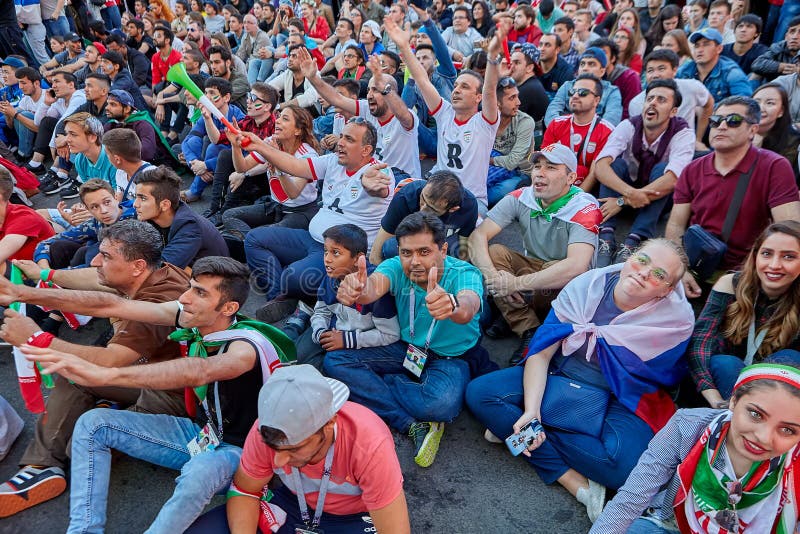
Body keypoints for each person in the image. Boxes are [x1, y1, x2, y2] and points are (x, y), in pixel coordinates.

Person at [3, 255, 294, 532]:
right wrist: (23, 294)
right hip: (204, 432)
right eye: (191, 287)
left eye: (200, 293)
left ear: (228, 308)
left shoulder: (244, 348)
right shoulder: (194, 317)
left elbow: (200, 371)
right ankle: (83, 530)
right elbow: (111, 305)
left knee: (200, 472)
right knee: (93, 423)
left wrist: (109, 375)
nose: (184, 298)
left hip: (243, 452)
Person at [466, 238, 694, 523]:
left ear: (667, 290)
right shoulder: (587, 286)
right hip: (558, 375)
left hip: (617, 396)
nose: (644, 273)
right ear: (631, 255)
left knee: (627, 468)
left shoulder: (675, 322)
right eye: (643, 260)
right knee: (479, 393)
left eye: (660, 274)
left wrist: (527, 420)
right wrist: (531, 411)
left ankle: (510, 430)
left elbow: (651, 380)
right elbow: (541, 353)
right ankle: (570, 479)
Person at [0, 219, 189, 517]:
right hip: (142, 373)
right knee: (74, 375)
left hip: (171, 395)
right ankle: (41, 467)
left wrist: (37, 339)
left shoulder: (159, 301)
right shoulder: (152, 271)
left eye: (107, 256)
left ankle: (106, 413)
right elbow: (95, 288)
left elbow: (110, 361)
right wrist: (32, 284)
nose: (97, 261)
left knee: (83, 440)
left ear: (137, 265)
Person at [326, 212, 487, 468]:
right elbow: (373, 288)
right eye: (406, 253)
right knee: (336, 360)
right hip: (405, 348)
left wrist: (452, 304)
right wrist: (358, 290)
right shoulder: (394, 266)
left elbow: (468, 305)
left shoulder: (465, 273)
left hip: (450, 358)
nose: (414, 262)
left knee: (439, 405)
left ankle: (377, 387)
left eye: (424, 252)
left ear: (443, 249)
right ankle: (408, 421)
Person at [592, 362, 800, 534]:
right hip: (673, 524)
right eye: (756, 414)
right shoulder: (688, 425)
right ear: (734, 401)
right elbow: (632, 497)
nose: (764, 437)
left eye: (788, 430)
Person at [208, 364, 411, 534]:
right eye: (273, 448)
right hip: (291, 503)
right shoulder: (266, 429)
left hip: (353, 518)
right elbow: (245, 491)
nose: (278, 461)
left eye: (294, 448)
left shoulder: (370, 445)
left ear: (329, 422)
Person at [239, 117, 394, 319]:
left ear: (366, 150)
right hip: (311, 239)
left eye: (348, 139)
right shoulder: (333, 161)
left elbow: (380, 189)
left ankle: (288, 292)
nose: (340, 142)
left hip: (341, 252)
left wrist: (368, 185)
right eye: (341, 137)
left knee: (293, 276)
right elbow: (295, 165)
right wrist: (259, 145)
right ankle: (280, 297)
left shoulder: (379, 170)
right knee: (254, 239)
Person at [469, 144, 601, 364]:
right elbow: (477, 237)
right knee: (494, 253)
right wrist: (494, 277)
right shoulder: (523, 196)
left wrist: (514, 284)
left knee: (556, 269)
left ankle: (514, 311)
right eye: (537, 166)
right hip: (533, 274)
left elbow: (576, 266)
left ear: (571, 178)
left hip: (568, 285)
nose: (539, 172)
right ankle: (527, 328)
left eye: (550, 167)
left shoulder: (584, 207)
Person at [666, 96, 800, 299]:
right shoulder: (692, 169)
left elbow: (790, 230)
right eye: (715, 121)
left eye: (733, 120)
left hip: (747, 274)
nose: (721, 126)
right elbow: (676, 225)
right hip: (697, 266)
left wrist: (756, 276)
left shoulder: (774, 166)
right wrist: (681, 269)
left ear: (753, 130)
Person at [386, 12, 501, 213]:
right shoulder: (445, 112)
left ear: (477, 97)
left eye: (464, 87)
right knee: (402, 205)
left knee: (456, 240)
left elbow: (490, 89)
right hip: (436, 193)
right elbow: (422, 80)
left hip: (470, 200)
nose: (456, 90)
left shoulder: (485, 122)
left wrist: (492, 59)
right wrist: (405, 47)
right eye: (455, 86)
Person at [689, 222, 800, 409]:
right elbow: (700, 344)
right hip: (721, 386)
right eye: (767, 253)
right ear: (755, 256)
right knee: (726, 363)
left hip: (774, 390)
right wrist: (715, 399)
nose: (774, 265)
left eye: (788, 257)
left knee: (791, 358)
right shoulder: (730, 284)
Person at [594, 79, 694, 267]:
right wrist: (630, 194)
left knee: (662, 170)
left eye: (661, 100)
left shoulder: (683, 133)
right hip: (628, 191)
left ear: (673, 111)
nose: (653, 103)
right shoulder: (629, 125)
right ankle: (605, 237)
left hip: (656, 201)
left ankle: (634, 240)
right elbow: (600, 166)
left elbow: (673, 180)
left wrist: (622, 202)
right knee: (616, 164)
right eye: (650, 98)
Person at [291, 224, 400, 369]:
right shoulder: (330, 278)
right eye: (325, 252)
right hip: (334, 329)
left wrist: (347, 340)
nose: (327, 259)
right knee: (295, 359)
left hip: (360, 340)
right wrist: (320, 331)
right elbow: (322, 311)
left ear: (357, 258)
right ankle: (295, 324)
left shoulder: (375, 288)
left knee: (324, 368)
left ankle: (298, 320)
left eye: (335, 253)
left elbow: (390, 334)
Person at [301, 50, 421, 178]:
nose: (369, 95)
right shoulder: (366, 108)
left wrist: (384, 89)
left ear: (390, 92)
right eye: (369, 90)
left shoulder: (405, 117)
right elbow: (337, 98)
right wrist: (313, 78)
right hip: (372, 184)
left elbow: (404, 116)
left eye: (376, 90)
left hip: (402, 186)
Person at [371, 171, 478, 265]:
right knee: (389, 247)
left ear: (453, 209)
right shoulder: (406, 196)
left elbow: (464, 249)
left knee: (457, 251)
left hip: (441, 244)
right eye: (423, 198)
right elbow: (375, 253)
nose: (423, 209)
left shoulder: (469, 205)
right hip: (410, 241)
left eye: (432, 209)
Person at [134, 166, 229, 269]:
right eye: (136, 197)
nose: (135, 204)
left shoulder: (190, 228)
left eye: (143, 198)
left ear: (165, 205)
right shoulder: (152, 219)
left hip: (213, 280)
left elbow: (162, 269)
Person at [33, 179, 135, 269]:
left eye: (107, 202)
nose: (103, 210)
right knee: (58, 247)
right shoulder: (95, 223)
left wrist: (52, 275)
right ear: (87, 210)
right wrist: (44, 269)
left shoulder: (135, 217)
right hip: (93, 267)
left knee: (93, 251)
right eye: (95, 207)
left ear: (116, 198)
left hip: (120, 269)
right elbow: (45, 243)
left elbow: (94, 270)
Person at [628, 49, 714, 152]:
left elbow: (709, 104)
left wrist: (698, 138)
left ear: (674, 70)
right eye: (650, 70)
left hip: (687, 146)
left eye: (661, 69)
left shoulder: (691, 87)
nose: (655, 75)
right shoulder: (637, 103)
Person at [542, 74, 615, 191]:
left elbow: (594, 173)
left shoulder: (607, 130)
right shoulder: (556, 124)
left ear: (596, 100)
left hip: (587, 192)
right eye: (572, 92)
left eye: (583, 92)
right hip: (553, 186)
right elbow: (544, 163)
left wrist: (574, 200)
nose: (575, 96)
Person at [545, 47, 623, 127]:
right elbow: (552, 111)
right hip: (564, 134)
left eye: (591, 64)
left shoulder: (611, 92)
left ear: (602, 71)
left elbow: (610, 122)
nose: (585, 68)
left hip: (594, 137)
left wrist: (584, 133)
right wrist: (563, 131)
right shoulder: (567, 86)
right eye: (582, 64)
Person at [487, 77, 535, 206]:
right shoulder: (484, 118)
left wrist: (486, 160)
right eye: (512, 98)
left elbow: (513, 162)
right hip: (493, 165)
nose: (518, 102)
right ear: (497, 103)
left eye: (517, 96)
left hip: (520, 172)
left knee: (493, 195)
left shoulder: (524, 122)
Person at [676, 28, 752, 102]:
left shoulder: (732, 73)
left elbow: (744, 104)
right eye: (697, 46)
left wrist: (706, 109)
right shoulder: (684, 71)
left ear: (719, 49)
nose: (700, 50)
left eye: (706, 44)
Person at [753, 83, 800, 182]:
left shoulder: (793, 141)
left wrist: (755, 152)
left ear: (781, 111)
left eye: (770, 103)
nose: (761, 108)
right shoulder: (737, 130)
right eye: (756, 102)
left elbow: (780, 181)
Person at [751, 15, 800, 83]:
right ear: (786, 36)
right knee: (755, 75)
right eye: (792, 32)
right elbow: (757, 64)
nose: (794, 37)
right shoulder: (778, 47)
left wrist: (798, 71)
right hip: (775, 89)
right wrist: (782, 67)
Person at [509, 43, 549, 122]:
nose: (511, 67)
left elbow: (503, 119)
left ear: (529, 68)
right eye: (511, 62)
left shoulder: (529, 89)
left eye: (517, 63)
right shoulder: (530, 85)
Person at [721, 13, 769, 78]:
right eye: (740, 26)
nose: (743, 30)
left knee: (756, 75)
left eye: (749, 26)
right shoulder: (723, 50)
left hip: (748, 86)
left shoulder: (762, 52)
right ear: (734, 31)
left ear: (756, 34)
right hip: (723, 84)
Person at [536, 35, 574, 100]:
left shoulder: (566, 71)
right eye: (540, 44)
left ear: (557, 49)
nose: (542, 49)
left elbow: (568, 99)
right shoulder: (531, 66)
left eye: (547, 45)